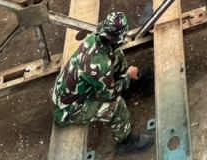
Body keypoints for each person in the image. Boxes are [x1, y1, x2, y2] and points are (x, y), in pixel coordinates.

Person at [52, 11, 153, 153]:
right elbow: (110, 95)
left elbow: (111, 59)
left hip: (77, 89)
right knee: (116, 106)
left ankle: (128, 85)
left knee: (117, 55)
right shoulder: (100, 66)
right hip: (71, 107)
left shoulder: (96, 39)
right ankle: (125, 142)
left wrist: (125, 76)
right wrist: (128, 77)